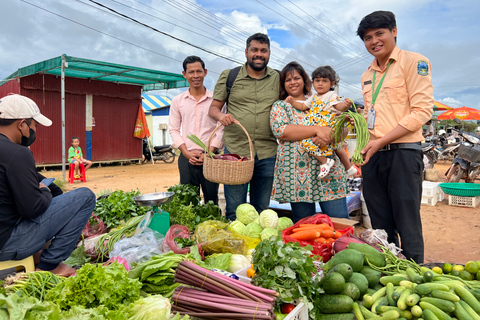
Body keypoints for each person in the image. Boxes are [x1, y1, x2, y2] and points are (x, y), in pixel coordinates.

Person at [357, 11, 433, 263]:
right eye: (368, 37)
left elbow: (422, 111)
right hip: (374, 155)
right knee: (380, 221)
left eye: (380, 33)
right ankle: (390, 272)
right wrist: (365, 145)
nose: (374, 41)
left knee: (407, 219)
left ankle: (414, 275)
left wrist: (382, 140)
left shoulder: (415, 62)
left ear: (394, 31)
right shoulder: (366, 75)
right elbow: (371, 116)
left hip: (404, 151)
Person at [0, 94, 96, 276]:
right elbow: (31, 208)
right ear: (21, 124)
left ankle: (37, 255)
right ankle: (50, 265)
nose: (34, 131)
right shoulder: (18, 153)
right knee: (85, 196)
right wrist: (44, 192)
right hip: (7, 244)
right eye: (34, 126)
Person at [209, 33, 280, 220]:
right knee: (234, 209)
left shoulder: (278, 78)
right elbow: (214, 109)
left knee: (261, 209)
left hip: (268, 152)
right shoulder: (230, 76)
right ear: (246, 52)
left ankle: (255, 246)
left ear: (269, 53)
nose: (259, 54)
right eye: (254, 50)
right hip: (237, 152)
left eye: (263, 51)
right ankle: (234, 245)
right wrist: (222, 116)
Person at [270, 61, 350, 222]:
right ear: (283, 84)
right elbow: (282, 131)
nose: (293, 82)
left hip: (329, 173)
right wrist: (317, 129)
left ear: (305, 81)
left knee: (340, 222)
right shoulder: (281, 106)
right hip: (297, 177)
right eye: (287, 80)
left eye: (297, 78)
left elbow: (342, 131)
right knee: (305, 225)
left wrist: (329, 134)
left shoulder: (323, 100)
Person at [168, 56, 223, 205]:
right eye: (191, 72)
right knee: (187, 202)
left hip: (211, 158)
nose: (195, 76)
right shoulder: (178, 101)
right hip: (187, 158)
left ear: (205, 72)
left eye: (199, 71)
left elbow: (221, 127)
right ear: (184, 74)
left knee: (212, 200)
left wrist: (209, 152)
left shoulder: (216, 100)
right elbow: (173, 129)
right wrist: (185, 152)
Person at [286, 65, 357, 178]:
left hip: (327, 124)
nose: (320, 84)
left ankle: (326, 162)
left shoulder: (331, 95)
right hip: (318, 126)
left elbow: (339, 107)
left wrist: (345, 105)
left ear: (332, 84)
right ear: (312, 82)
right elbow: (303, 105)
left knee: (316, 144)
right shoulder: (313, 97)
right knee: (335, 147)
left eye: (324, 81)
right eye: (317, 80)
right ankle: (347, 167)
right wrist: (292, 102)